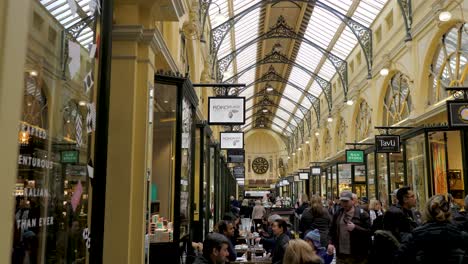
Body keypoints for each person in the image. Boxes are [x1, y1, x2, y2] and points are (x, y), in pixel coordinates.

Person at [395, 194, 468, 264]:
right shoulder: (461, 236)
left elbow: (399, 259)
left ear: (426, 213)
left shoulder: (413, 237)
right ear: (448, 212)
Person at [328, 190, 371, 264]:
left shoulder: (362, 214)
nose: (344, 204)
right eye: (342, 201)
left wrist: (355, 228)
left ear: (352, 201)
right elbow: (332, 230)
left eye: (346, 201)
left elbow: (369, 232)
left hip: (357, 255)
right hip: (341, 255)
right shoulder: (338, 214)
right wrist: (330, 243)